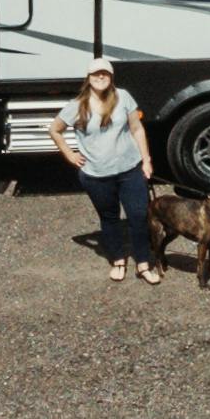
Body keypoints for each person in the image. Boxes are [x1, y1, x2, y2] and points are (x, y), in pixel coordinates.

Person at [48, 57, 160, 284]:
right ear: (88, 78)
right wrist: (70, 155)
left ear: (111, 77)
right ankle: (119, 260)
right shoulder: (77, 105)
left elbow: (137, 129)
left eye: (105, 74)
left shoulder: (123, 97)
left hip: (130, 169)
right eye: (96, 74)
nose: (100, 77)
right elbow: (55, 130)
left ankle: (143, 263)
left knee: (139, 217)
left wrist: (146, 160)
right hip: (96, 175)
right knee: (109, 218)